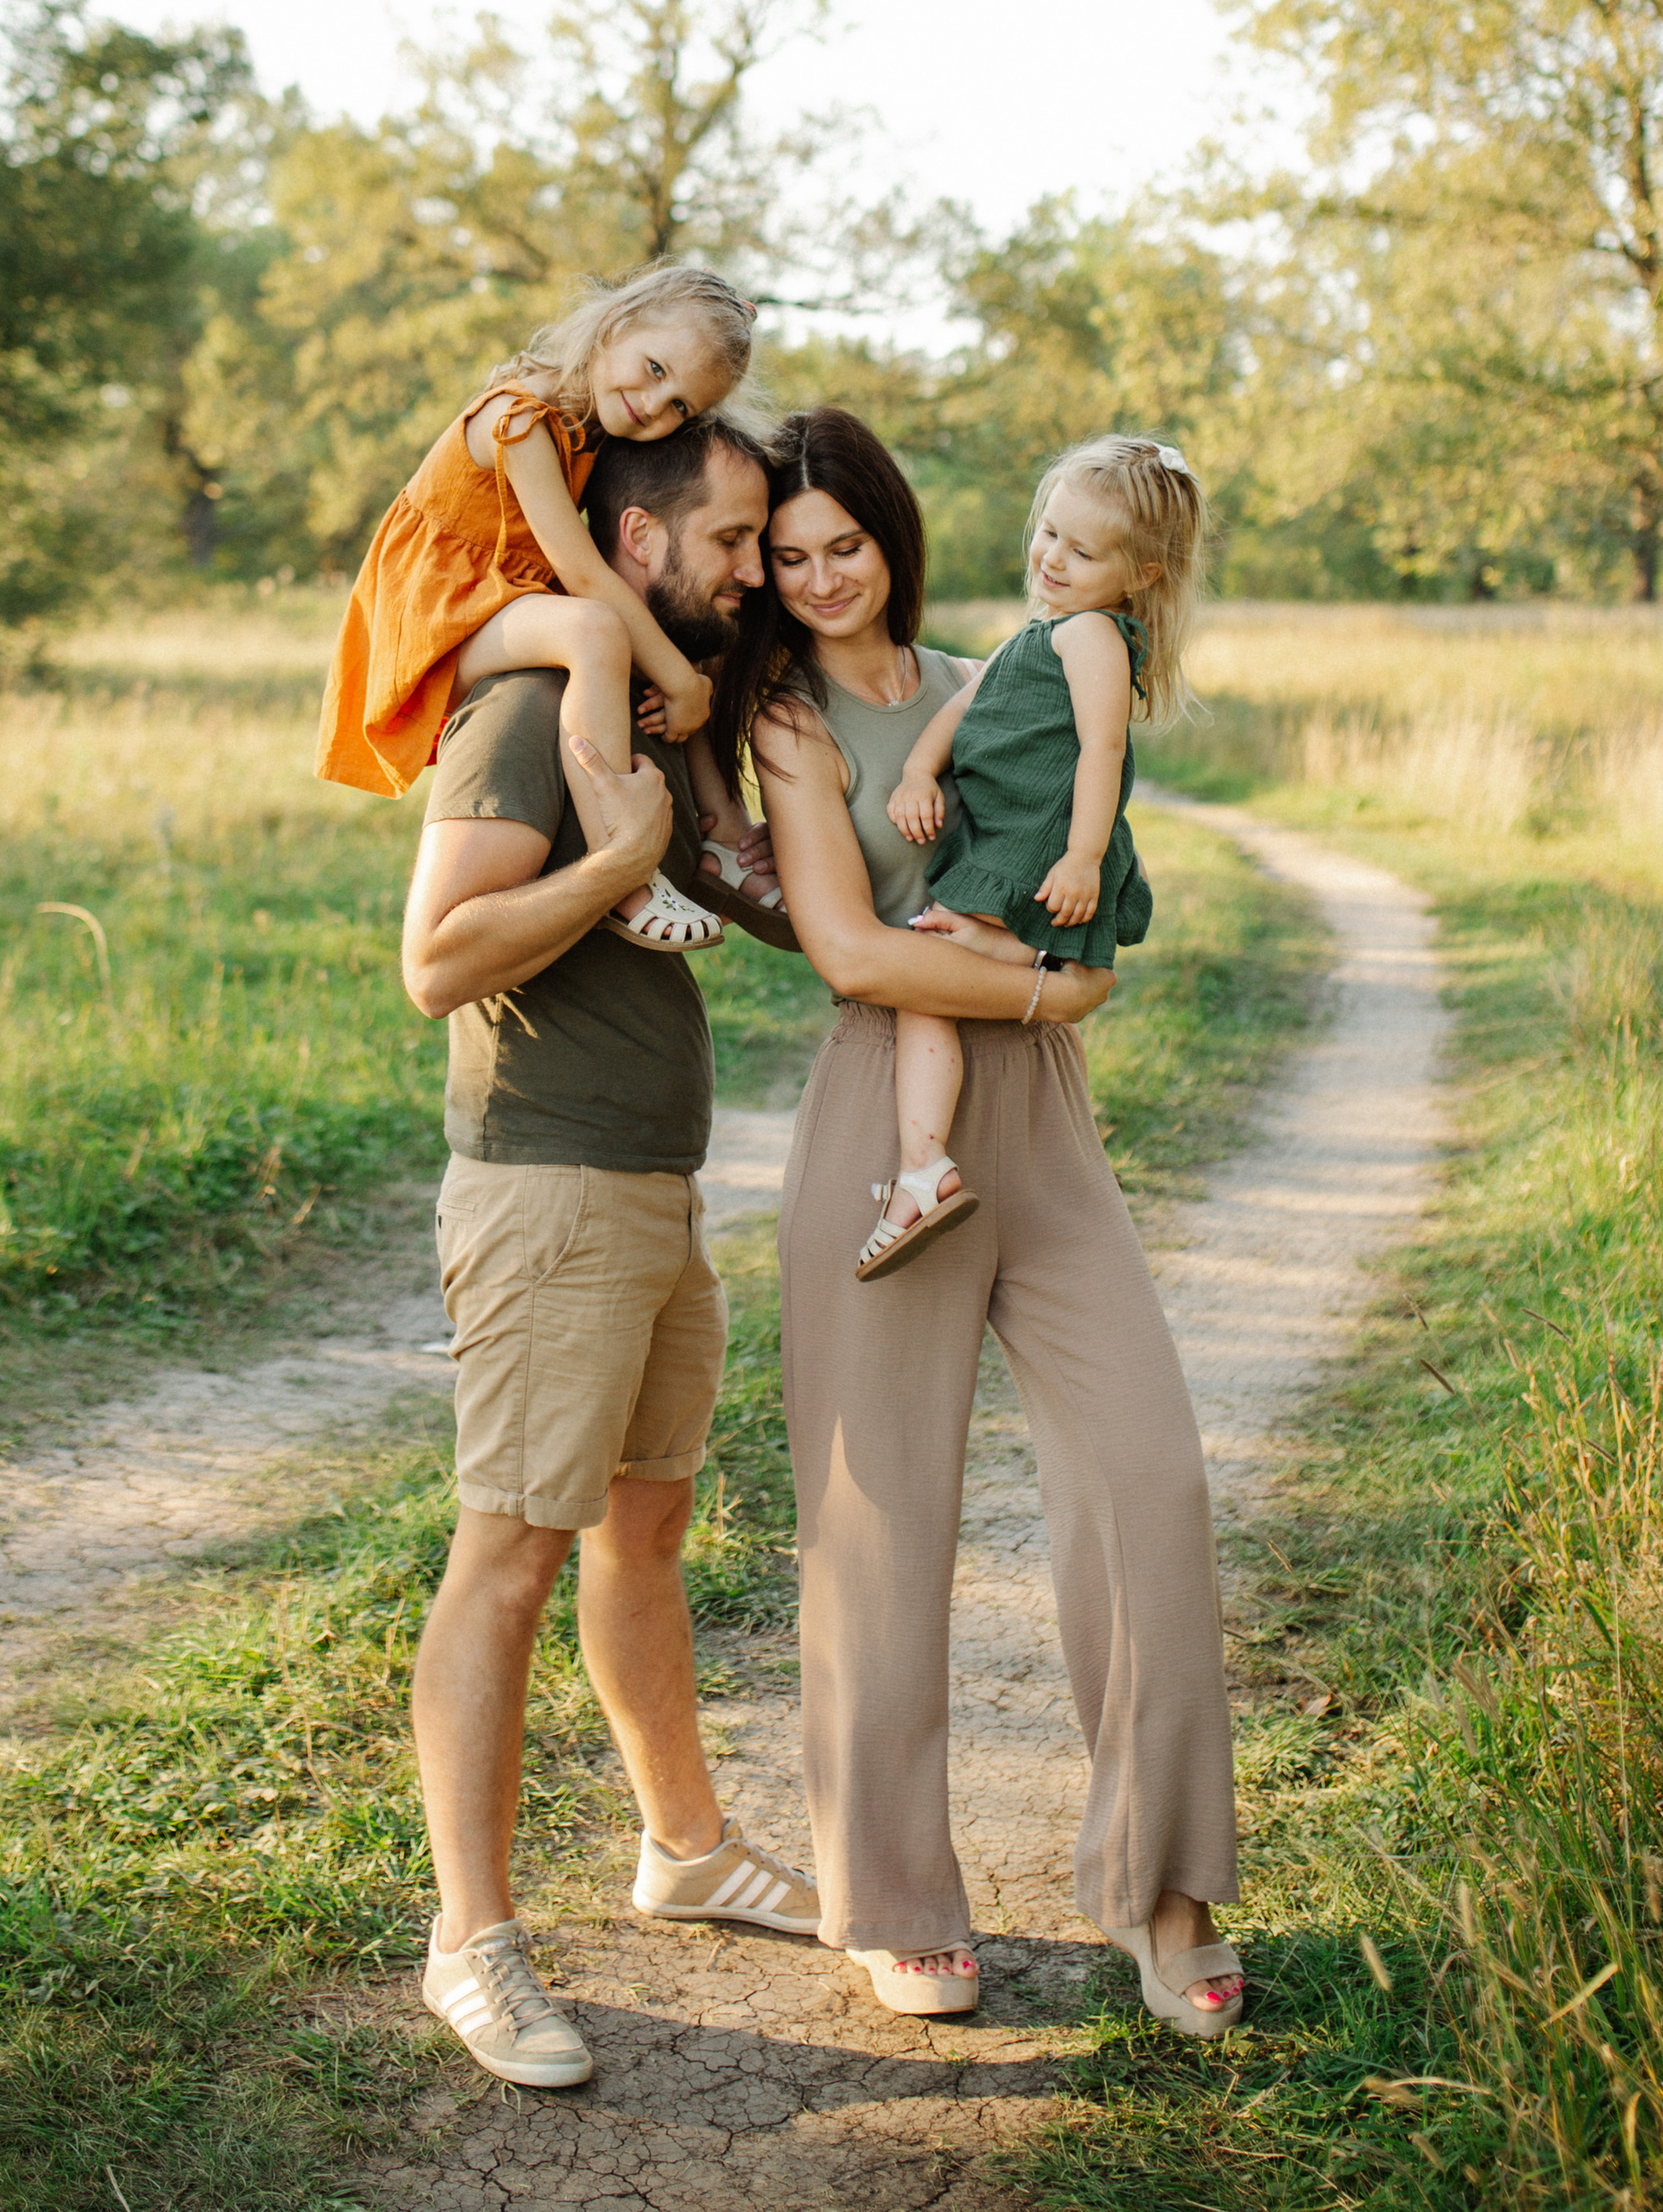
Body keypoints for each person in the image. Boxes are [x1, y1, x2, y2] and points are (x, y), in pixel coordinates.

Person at [706, 408, 1245, 2036]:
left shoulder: (995, 675)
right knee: (880, 1525)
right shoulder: (791, 722)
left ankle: (1163, 1889)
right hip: (893, 1118)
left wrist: (1051, 975)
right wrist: (1033, 981)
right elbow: (857, 957)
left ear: (895, 536)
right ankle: (896, 1895)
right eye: (786, 558)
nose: (815, 579)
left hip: (1047, 1131)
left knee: (1149, 1477)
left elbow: (1100, 902)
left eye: (843, 546)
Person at [397, 409, 817, 2090]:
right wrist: (622, 865)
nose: (747, 567)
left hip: (651, 1191)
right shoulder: (520, 713)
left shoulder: (648, 708)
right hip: (545, 1197)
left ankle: (685, 1849)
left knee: (642, 1532)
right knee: (505, 1554)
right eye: (726, 540)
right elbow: (437, 958)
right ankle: (469, 1945)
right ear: (635, 543)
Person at [317, 261, 772, 950]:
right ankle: (624, 873)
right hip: (439, 615)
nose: (654, 406)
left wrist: (685, 674)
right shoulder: (519, 418)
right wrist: (681, 683)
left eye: (681, 404)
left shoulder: (591, 425)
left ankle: (728, 838)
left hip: (498, 601)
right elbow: (584, 573)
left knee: (668, 640)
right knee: (596, 629)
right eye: (654, 368)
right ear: (615, 325)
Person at [860, 434, 1209, 1281]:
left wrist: (1086, 856)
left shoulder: (1091, 636)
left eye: (1081, 551)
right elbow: (962, 709)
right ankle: (923, 1165)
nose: (1050, 556)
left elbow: (1101, 750)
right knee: (926, 984)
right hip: (999, 841)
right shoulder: (1043, 630)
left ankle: (922, 1166)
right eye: (1049, 532)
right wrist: (916, 771)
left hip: (1033, 850)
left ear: (1142, 575)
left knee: (922, 979)